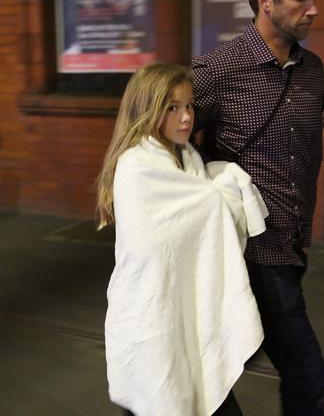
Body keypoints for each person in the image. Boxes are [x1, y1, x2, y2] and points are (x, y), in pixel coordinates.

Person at [192, 0, 324, 415]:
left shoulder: (313, 71)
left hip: (290, 248)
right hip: (246, 250)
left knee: (226, 358)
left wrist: (304, 237)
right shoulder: (218, 71)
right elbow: (166, 148)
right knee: (306, 373)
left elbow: (308, 158)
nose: (313, 10)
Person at [96, 62, 268, 416]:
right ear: (148, 110)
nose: (186, 117)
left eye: (189, 105)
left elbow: (199, 213)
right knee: (164, 395)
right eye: (172, 108)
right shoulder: (136, 167)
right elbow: (168, 237)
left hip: (187, 307)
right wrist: (221, 192)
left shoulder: (188, 157)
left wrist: (214, 190)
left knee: (187, 396)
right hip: (151, 314)